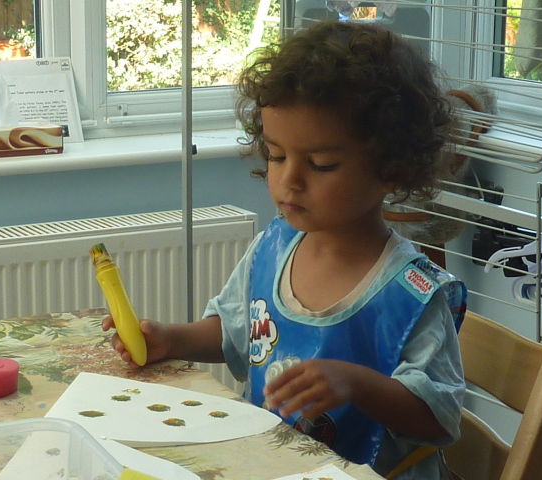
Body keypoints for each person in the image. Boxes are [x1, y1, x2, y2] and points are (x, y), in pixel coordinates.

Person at [103, 20, 467, 480]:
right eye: (276, 156)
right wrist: (171, 339)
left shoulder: (413, 294)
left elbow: (440, 418)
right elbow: (234, 331)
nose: (289, 179)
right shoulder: (272, 248)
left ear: (393, 169)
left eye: (321, 164)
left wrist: (356, 383)